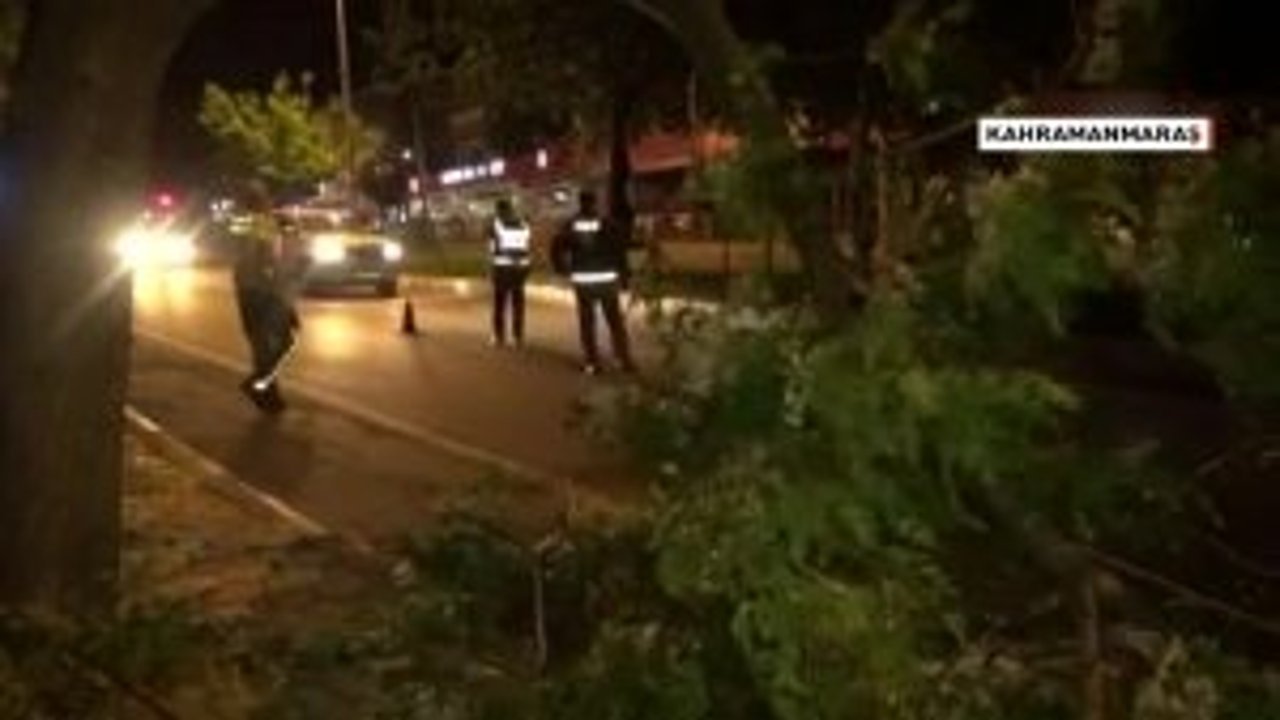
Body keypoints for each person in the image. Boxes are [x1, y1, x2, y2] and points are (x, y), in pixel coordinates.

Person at [551, 190, 635, 375]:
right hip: (607, 281)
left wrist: (562, 269)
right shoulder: (608, 223)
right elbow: (619, 250)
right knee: (615, 321)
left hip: (584, 282)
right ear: (595, 203)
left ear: (580, 203)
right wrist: (625, 276)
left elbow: (556, 247)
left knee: (587, 322)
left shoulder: (571, 225)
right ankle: (624, 360)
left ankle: (592, 362)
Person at [231, 183, 298, 413]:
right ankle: (259, 386)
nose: (270, 201)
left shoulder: (240, 223)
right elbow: (268, 262)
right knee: (286, 340)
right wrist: (282, 297)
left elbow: (241, 257)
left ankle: (267, 394)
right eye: (266, 197)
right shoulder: (262, 224)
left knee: (260, 346)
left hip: (245, 290)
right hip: (263, 291)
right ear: (262, 201)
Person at [487, 197, 532, 347]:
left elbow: (492, 248)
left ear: (499, 210)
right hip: (520, 268)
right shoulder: (523, 223)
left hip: (502, 268)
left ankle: (498, 336)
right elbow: (527, 244)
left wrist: (492, 266)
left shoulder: (496, 225)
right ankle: (517, 336)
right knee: (518, 302)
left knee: (500, 303)